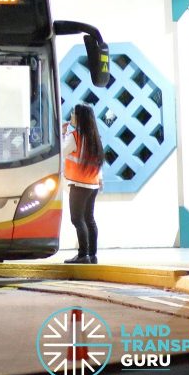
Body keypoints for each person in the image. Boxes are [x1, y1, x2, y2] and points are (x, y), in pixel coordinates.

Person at [61, 103, 105, 264]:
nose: (71, 115)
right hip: (92, 184)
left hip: (79, 184)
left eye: (73, 113)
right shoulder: (95, 137)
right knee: (89, 219)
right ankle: (92, 255)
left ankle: (83, 255)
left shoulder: (75, 136)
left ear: (78, 117)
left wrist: (64, 132)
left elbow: (62, 150)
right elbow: (99, 162)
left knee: (77, 219)